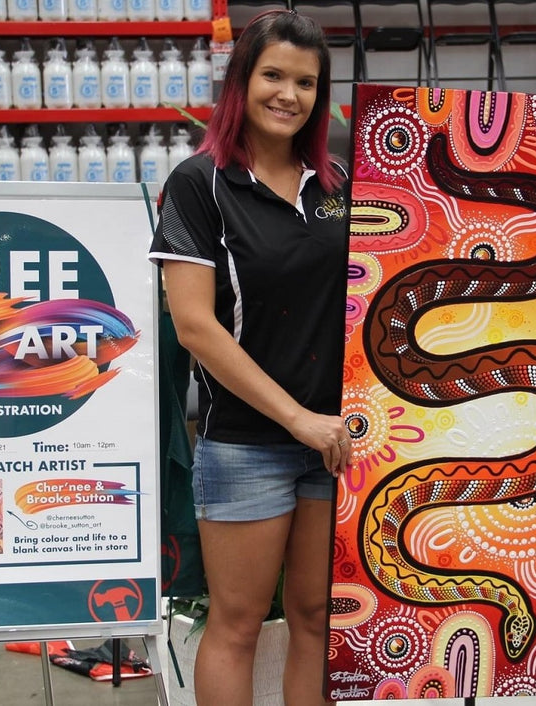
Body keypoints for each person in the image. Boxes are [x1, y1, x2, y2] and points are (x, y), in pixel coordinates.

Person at [148, 9, 349, 706]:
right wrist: (298, 420)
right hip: (245, 445)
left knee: (317, 618)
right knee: (237, 625)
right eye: (273, 76)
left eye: (305, 82)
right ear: (241, 80)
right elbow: (196, 328)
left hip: (336, 442)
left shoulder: (337, 184)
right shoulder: (198, 184)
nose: (288, 95)